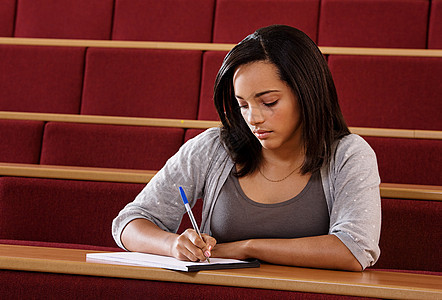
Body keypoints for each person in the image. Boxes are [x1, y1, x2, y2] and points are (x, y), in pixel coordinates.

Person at [112, 25, 381, 271]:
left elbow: (354, 250)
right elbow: (129, 223)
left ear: (307, 94)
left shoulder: (349, 155)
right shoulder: (213, 148)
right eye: (243, 105)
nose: (253, 118)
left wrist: (247, 247)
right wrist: (172, 245)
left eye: (269, 102)